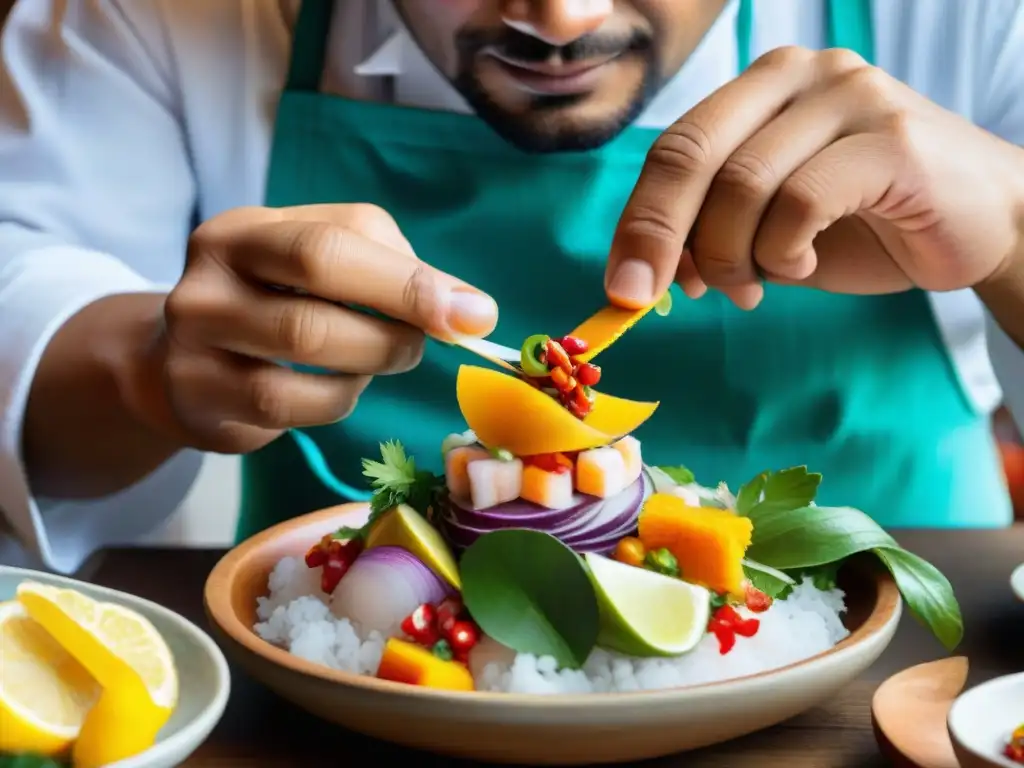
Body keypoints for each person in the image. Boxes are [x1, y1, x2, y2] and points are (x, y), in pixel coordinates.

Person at [1, 0, 1023, 574]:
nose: (560, 20)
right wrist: (150, 373)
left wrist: (1012, 233)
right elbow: (26, 278)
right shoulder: (159, 14)